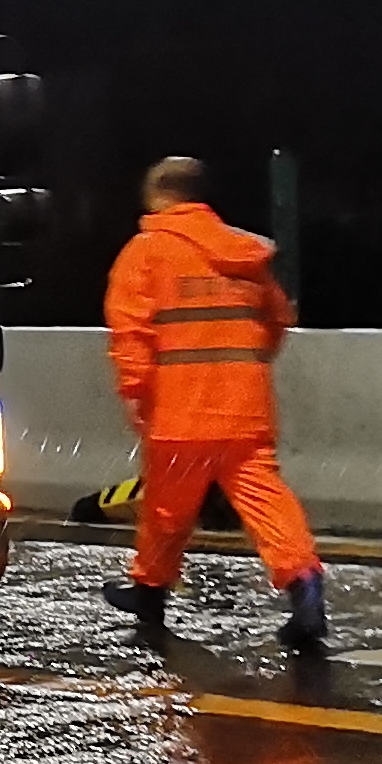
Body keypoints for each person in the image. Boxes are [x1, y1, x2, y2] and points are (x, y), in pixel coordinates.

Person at [104, 157, 328, 651]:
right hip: (245, 408)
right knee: (268, 503)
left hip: (179, 411)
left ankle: (149, 593)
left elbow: (131, 333)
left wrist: (137, 392)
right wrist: (242, 369)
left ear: (158, 194)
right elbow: (277, 319)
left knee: (167, 509)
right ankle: (305, 584)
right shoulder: (244, 253)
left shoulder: (146, 252)